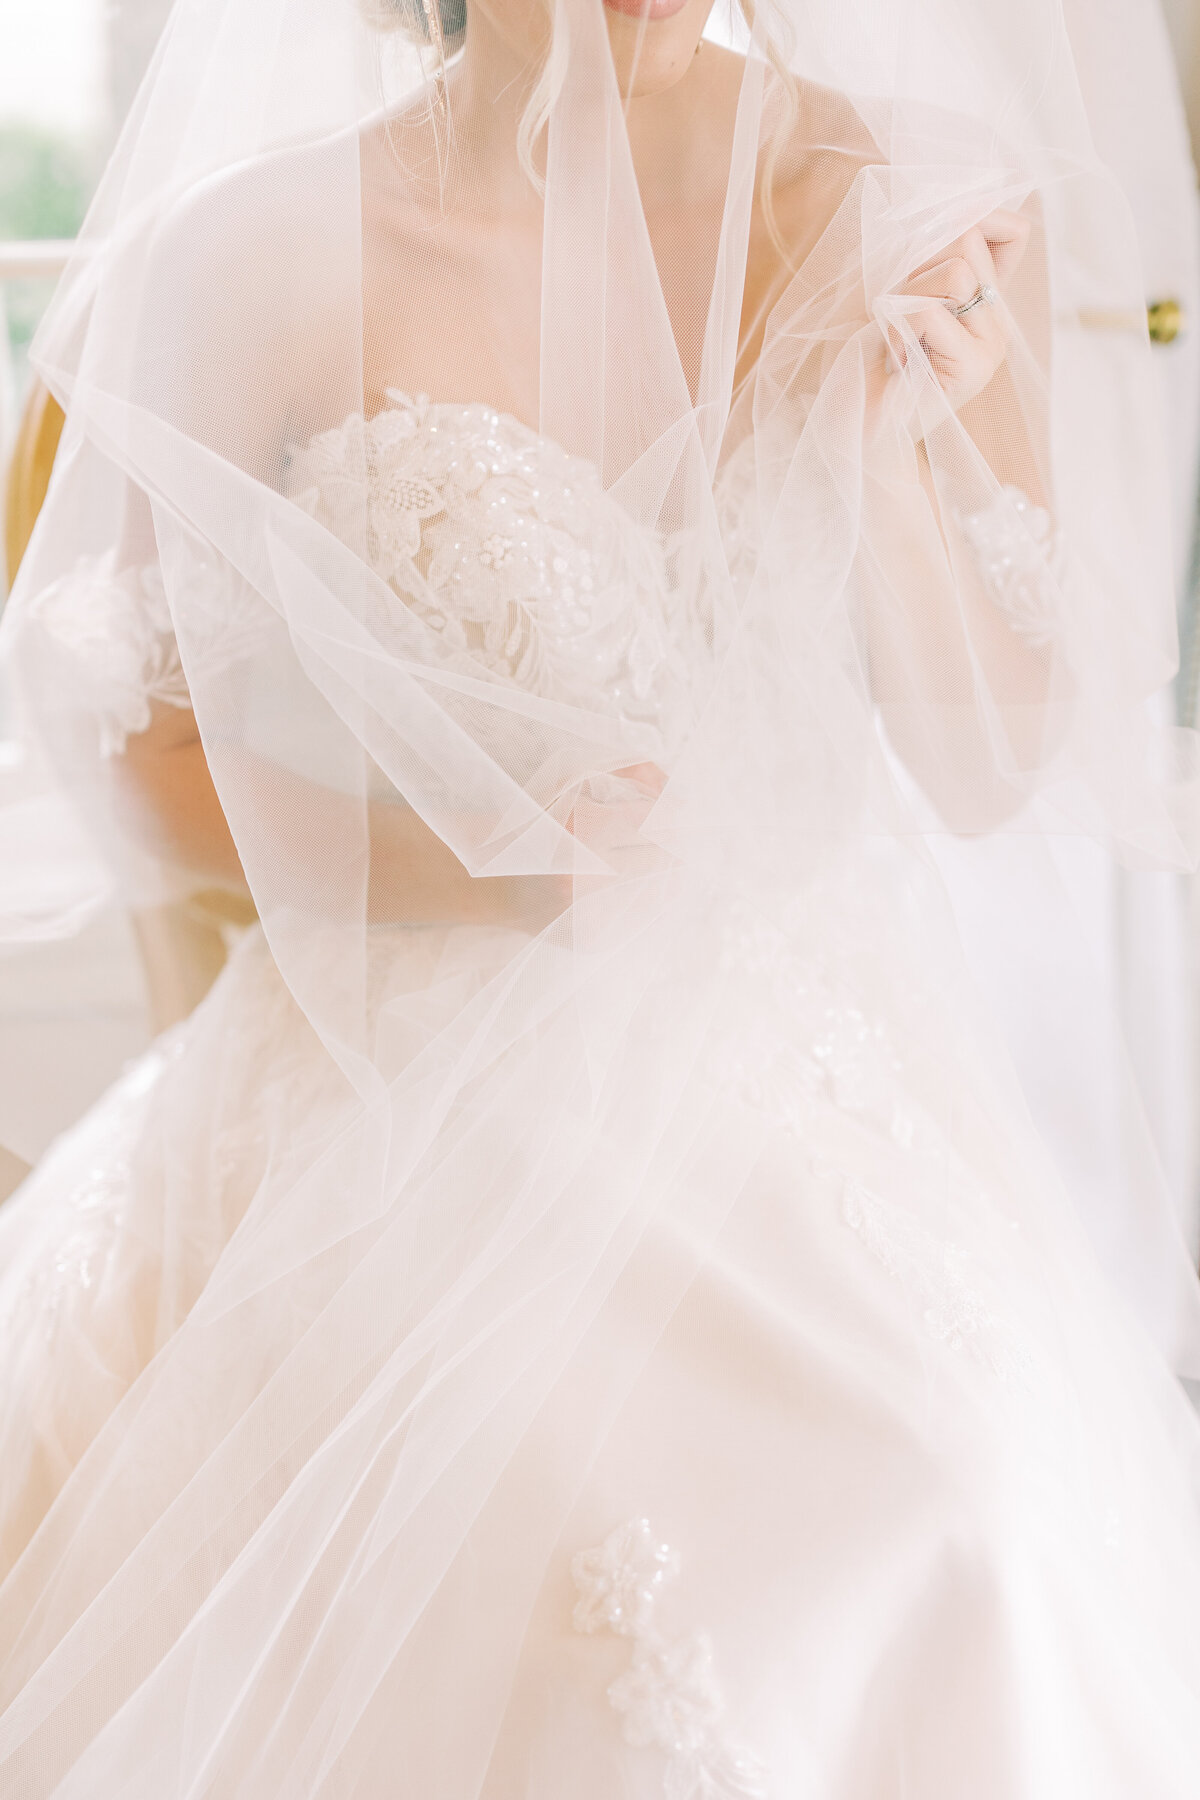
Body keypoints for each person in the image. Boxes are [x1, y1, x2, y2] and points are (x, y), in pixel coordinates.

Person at [2, 0, 1200, 1791]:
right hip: (388, 1087)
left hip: (800, 1078)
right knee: (523, 1545)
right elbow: (134, 756)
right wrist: (486, 864)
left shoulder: (898, 197)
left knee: (964, 1513)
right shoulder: (249, 249)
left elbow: (986, 768)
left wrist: (894, 448)